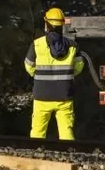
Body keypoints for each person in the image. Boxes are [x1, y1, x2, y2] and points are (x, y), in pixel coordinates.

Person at [24, 7, 85, 140]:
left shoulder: (37, 44)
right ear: (62, 25)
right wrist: (68, 74)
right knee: (66, 133)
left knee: (37, 133)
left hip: (42, 96)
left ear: (47, 24)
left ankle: (35, 156)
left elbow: (29, 67)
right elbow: (79, 67)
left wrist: (39, 75)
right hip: (64, 95)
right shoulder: (73, 45)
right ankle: (68, 157)